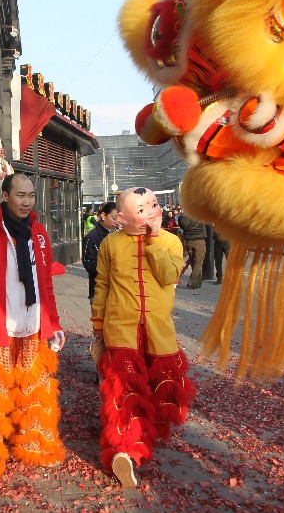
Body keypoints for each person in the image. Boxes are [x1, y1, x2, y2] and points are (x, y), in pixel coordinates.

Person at [0, 173, 66, 490]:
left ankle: (36, 447)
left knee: (37, 392)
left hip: (33, 326)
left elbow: (45, 284)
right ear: (5, 196)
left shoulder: (39, 233)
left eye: (31, 195)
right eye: (20, 195)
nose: (26, 202)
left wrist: (53, 324)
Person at [91, 187, 195, 488]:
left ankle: (144, 438)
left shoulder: (170, 241)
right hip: (121, 330)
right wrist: (98, 327)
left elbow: (169, 275)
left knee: (158, 391)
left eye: (153, 205)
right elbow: (102, 285)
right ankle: (125, 450)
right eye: (141, 209)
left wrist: (154, 239)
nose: (151, 212)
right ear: (121, 219)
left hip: (158, 332)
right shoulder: (110, 244)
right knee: (125, 392)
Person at [81, 202, 119, 301]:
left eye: (119, 218)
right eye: (114, 218)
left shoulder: (121, 235)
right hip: (99, 290)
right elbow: (88, 263)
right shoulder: (92, 238)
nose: (117, 222)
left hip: (119, 292)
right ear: (103, 216)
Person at [177, 210, 208, 289]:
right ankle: (192, 282)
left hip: (189, 241)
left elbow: (181, 225)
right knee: (198, 263)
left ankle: (198, 280)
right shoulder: (199, 216)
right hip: (199, 240)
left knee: (194, 262)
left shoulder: (182, 218)